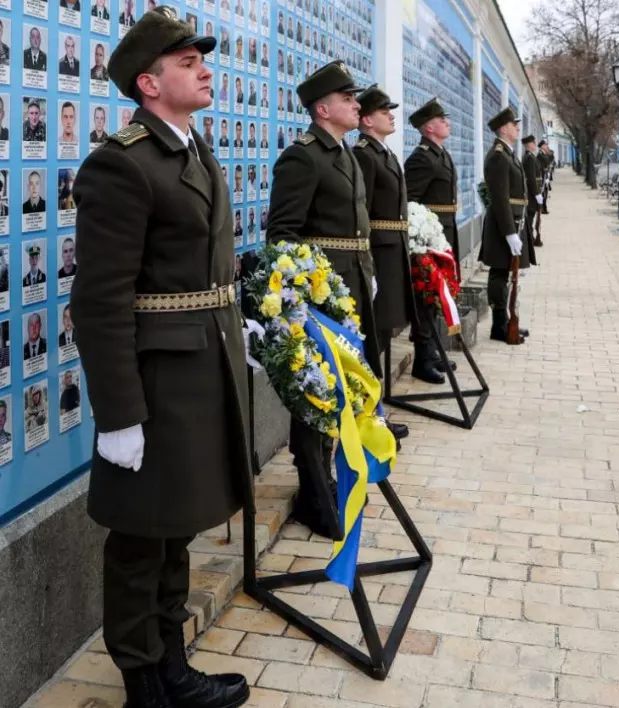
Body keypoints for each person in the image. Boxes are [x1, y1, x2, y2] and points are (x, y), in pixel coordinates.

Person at [70, 8, 252, 708]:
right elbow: (99, 301)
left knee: (174, 525)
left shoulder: (193, 150)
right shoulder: (123, 163)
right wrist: (118, 415)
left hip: (200, 372)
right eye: (186, 62)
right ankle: (144, 683)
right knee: (141, 539)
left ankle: (173, 668)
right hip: (153, 380)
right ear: (149, 83)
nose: (204, 68)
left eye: (201, 59)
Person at [266, 60, 377, 539]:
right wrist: (308, 297)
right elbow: (282, 236)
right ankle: (313, 489)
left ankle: (328, 475)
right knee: (315, 393)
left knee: (340, 390)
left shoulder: (345, 153)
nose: (357, 104)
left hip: (351, 288)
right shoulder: (303, 157)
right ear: (322, 107)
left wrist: (365, 274)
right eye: (348, 98)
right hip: (321, 299)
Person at [353, 84, 415, 442]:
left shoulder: (383, 152)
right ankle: (370, 415)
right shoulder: (365, 155)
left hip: (393, 251)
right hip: (378, 252)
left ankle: (375, 409)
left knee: (383, 334)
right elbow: (362, 213)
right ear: (367, 119)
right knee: (372, 338)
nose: (392, 115)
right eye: (384, 111)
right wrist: (369, 264)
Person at [403, 97, 459, 383]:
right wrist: (422, 238)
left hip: (444, 234)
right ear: (428, 128)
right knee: (425, 297)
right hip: (428, 240)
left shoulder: (440, 153)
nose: (447, 123)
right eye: (441, 119)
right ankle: (422, 358)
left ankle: (433, 350)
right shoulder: (421, 158)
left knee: (438, 294)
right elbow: (409, 202)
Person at [479, 106, 534, 344]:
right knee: (499, 274)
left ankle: (506, 320)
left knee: (508, 274)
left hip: (514, 222)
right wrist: (510, 232)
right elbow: (499, 198)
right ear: (504, 128)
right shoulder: (498, 156)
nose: (517, 127)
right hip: (504, 225)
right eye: (514, 124)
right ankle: (499, 325)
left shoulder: (508, 153)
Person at [521, 135, 544, 247]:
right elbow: (531, 178)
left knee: (531, 217)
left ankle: (530, 238)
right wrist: (537, 194)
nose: (535, 144)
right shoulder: (529, 158)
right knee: (530, 217)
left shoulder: (530, 157)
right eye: (533, 143)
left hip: (533, 192)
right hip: (531, 194)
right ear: (528, 145)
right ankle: (529, 240)